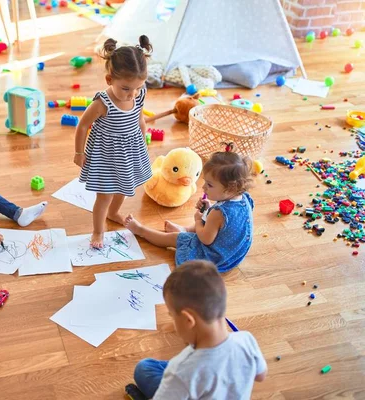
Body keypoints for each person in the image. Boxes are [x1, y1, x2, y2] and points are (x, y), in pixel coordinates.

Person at [133, 260, 267, 399]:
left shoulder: (181, 371)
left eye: (172, 316)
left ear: (188, 320)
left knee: (144, 368)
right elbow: (260, 375)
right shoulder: (246, 339)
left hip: (185, 378)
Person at [73, 35, 153, 249]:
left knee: (124, 187)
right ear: (110, 80)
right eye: (126, 88)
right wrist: (79, 153)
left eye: (137, 87)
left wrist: (143, 141)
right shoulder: (102, 102)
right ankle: (98, 231)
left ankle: (114, 213)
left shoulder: (139, 93)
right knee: (105, 195)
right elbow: (82, 126)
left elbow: (140, 118)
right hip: (106, 155)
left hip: (130, 150)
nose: (132, 94)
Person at [124, 146, 254, 273]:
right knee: (205, 222)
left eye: (209, 185)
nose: (203, 187)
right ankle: (185, 230)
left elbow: (206, 239)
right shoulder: (243, 198)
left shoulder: (218, 213)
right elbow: (225, 225)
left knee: (174, 238)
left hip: (215, 257)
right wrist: (208, 210)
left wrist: (198, 220)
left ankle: (141, 230)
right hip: (234, 253)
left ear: (230, 188)